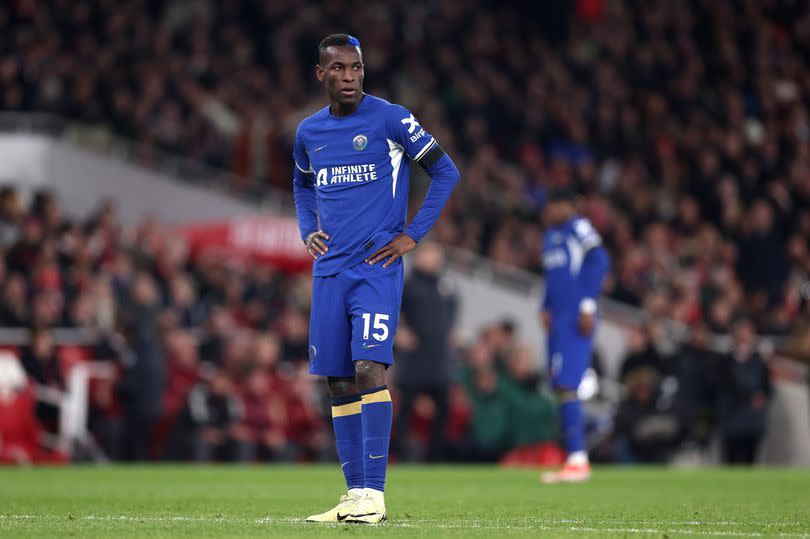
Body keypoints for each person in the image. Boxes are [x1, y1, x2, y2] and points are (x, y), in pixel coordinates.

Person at [293, 34, 460, 523]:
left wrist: (412, 235)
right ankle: (353, 495)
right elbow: (302, 184)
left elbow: (445, 171)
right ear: (320, 74)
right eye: (339, 69)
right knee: (339, 380)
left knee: (370, 370)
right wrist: (308, 230)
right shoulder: (308, 131)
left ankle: (376, 496)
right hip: (328, 271)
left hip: (375, 267)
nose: (350, 78)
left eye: (357, 68)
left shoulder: (391, 118)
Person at [539, 187, 610, 483]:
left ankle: (578, 461)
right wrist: (545, 305)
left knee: (568, 384)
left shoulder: (577, 227)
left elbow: (599, 260)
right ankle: (574, 458)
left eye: (557, 205)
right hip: (558, 319)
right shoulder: (550, 237)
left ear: (569, 205)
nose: (551, 211)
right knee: (560, 386)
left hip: (574, 317)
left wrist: (587, 305)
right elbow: (554, 278)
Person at [394, 241, 457, 462]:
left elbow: (452, 313)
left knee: (444, 409)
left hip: (438, 359)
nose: (434, 258)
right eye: (429, 253)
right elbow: (393, 308)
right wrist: (398, 331)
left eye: (437, 254)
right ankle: (397, 455)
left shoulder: (446, 286)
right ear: (419, 256)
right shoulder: (407, 283)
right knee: (406, 410)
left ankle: (435, 457)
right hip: (415, 359)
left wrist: (450, 334)